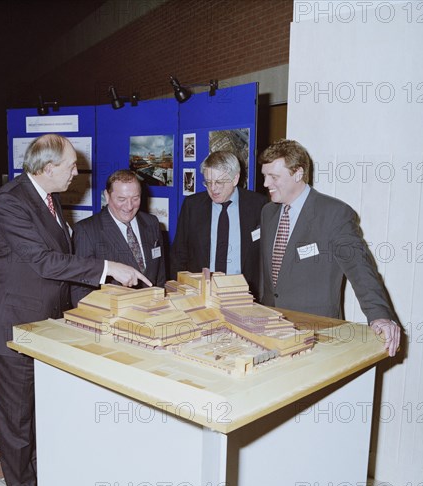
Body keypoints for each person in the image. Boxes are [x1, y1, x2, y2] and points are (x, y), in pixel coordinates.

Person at [0, 135, 151, 486]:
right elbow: (42, 261)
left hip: (46, 322)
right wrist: (108, 268)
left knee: (42, 409)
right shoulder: (10, 201)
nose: (78, 172)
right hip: (14, 323)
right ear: (47, 168)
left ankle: (43, 474)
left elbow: (60, 260)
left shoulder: (51, 200)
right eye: (72, 165)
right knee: (17, 417)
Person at [258, 138, 400, 357]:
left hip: (317, 335)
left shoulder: (334, 214)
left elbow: (360, 269)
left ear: (298, 173)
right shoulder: (268, 212)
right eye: (264, 176)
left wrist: (379, 315)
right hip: (271, 330)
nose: (266, 183)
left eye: (274, 177)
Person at [170, 151, 267, 298]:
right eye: (208, 182)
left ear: (235, 179)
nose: (213, 188)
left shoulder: (259, 205)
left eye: (219, 182)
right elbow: (179, 255)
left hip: (244, 295)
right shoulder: (193, 206)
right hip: (201, 294)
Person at [71, 169, 166, 305]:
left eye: (135, 198)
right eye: (121, 199)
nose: (129, 206)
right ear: (107, 196)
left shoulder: (152, 223)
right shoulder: (86, 230)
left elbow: (160, 275)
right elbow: (80, 292)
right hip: (113, 317)